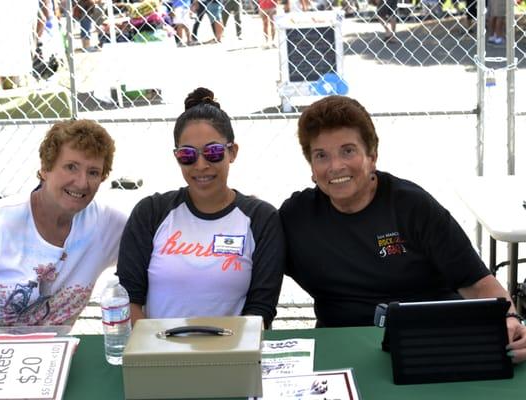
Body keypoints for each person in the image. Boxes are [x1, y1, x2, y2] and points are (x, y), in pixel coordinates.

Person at [279, 95, 526, 363]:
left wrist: (510, 318)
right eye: (321, 155)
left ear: (372, 157)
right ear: (312, 169)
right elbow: (248, 267)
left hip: (429, 346)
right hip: (340, 350)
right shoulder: (297, 216)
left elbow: (478, 284)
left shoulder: (412, 206)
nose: (335, 166)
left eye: (348, 150)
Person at [0, 120, 128, 336]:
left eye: (93, 172)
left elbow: (156, 254)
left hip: (36, 361)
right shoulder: (0, 225)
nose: (81, 182)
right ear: (45, 168)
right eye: (71, 167)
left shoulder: (107, 225)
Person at [117, 87, 285, 328]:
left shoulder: (261, 218)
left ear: (232, 152)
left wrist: (224, 355)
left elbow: (261, 309)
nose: (201, 165)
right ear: (177, 157)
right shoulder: (151, 212)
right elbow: (129, 298)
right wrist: (156, 352)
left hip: (232, 353)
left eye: (213, 152)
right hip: (157, 353)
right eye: (188, 155)